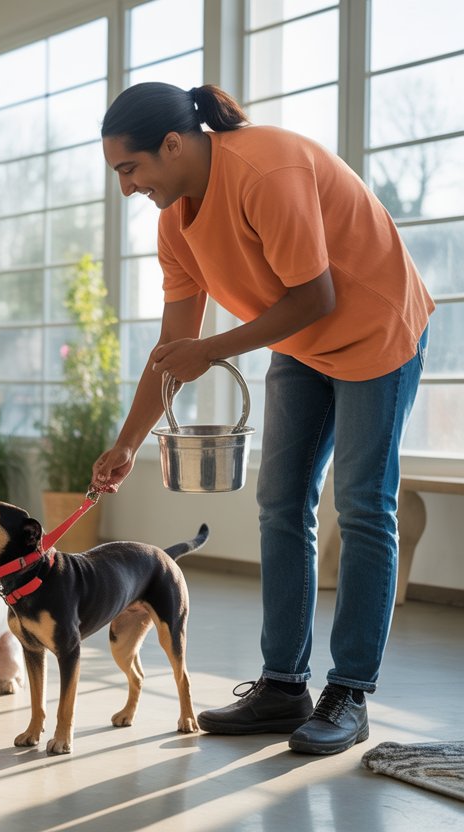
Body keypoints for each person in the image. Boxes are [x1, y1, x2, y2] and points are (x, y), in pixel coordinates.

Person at [95, 82, 433, 755]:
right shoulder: (175, 226)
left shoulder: (265, 170)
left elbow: (315, 296)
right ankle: (283, 686)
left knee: (363, 505)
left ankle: (351, 693)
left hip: (375, 329)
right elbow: (173, 351)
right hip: (303, 342)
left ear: (172, 144)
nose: (127, 188)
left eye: (130, 169)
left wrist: (213, 350)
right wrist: (128, 442)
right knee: (281, 502)